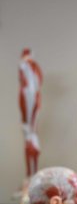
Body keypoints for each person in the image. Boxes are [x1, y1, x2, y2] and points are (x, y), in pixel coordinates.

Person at [19, 48, 43, 178]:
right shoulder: (25, 91)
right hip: (29, 129)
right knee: (29, 135)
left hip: (31, 131)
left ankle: (32, 175)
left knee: (31, 137)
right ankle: (30, 175)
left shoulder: (32, 68)